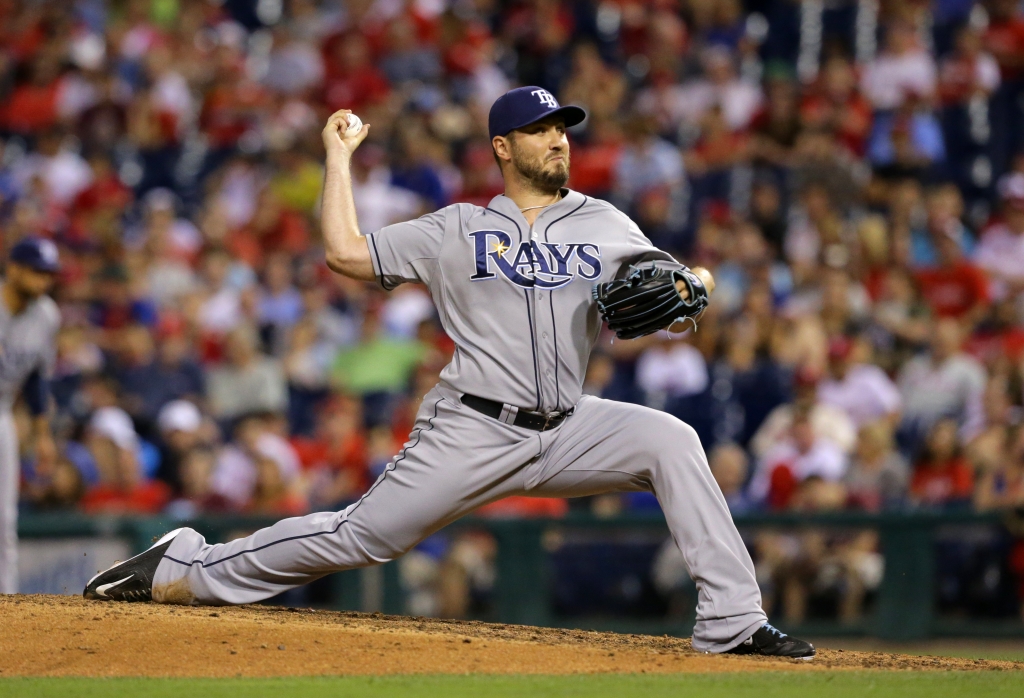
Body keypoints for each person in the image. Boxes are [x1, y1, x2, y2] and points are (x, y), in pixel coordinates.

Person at [84, 87, 814, 658]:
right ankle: (186, 565)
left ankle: (731, 621)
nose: (558, 138)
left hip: (570, 424)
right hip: (472, 426)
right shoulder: (455, 228)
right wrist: (337, 161)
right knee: (360, 538)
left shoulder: (605, 221)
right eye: (540, 129)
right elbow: (345, 252)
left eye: (563, 127)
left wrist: (700, 283)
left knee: (672, 441)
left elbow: (680, 279)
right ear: (504, 146)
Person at [0, 237, 61, 593]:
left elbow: (39, 378)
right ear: (15, 268)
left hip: (3, 411)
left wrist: (42, 435)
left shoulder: (47, 315)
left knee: (4, 520)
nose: (43, 280)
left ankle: (4, 604)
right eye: (37, 271)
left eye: (48, 274)